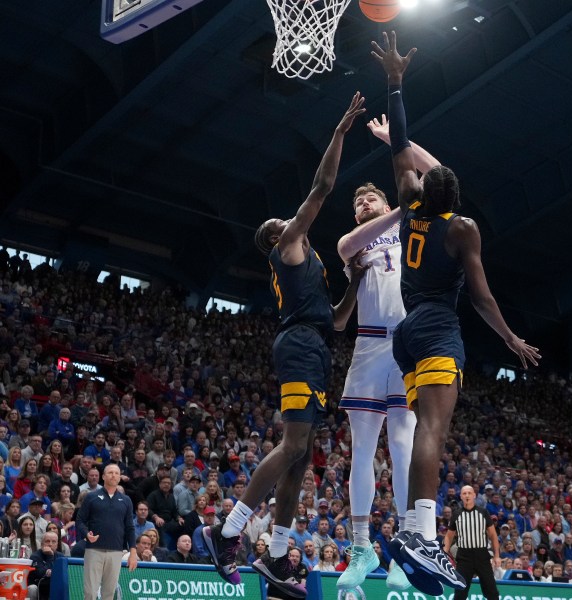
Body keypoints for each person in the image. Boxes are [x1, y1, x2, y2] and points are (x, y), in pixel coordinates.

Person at [372, 31, 540, 593]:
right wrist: (512, 340)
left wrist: (395, 83)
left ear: (423, 188)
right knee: (433, 429)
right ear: (458, 199)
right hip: (439, 327)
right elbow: (484, 297)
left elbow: (399, 146)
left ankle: (417, 534)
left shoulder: (409, 203)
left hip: (405, 330)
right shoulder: (462, 229)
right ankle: (419, 533)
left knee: (425, 425)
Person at [203, 93, 367, 599]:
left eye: (283, 221)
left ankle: (276, 557)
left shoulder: (311, 266)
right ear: (276, 240)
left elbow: (338, 322)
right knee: (293, 445)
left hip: (316, 344)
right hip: (297, 347)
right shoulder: (289, 247)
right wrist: (339, 134)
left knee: (301, 458)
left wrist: (355, 283)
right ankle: (226, 531)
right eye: (278, 225)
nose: (286, 223)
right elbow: (321, 186)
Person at [336, 139, 440, 593]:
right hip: (368, 346)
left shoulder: (411, 228)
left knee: (402, 448)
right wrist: (398, 206)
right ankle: (361, 548)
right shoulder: (351, 245)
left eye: (370, 197)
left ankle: (400, 548)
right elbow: (350, 242)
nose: (362, 203)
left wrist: (395, 142)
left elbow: (437, 174)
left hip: (405, 345)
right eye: (358, 201)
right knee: (361, 449)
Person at [76, 463, 137, 600]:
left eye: (116, 473)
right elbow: (79, 520)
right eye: (110, 472)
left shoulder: (126, 500)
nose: (113, 475)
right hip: (94, 550)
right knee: (90, 593)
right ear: (103, 476)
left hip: (116, 551)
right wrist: (86, 534)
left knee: (109, 594)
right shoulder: (91, 497)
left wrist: (133, 552)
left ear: (120, 477)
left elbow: (130, 527)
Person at [444, 486, 500, 600]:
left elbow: (493, 535)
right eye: (464, 493)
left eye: (469, 493)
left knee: (492, 591)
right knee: (460, 592)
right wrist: (444, 552)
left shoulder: (483, 512)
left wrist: (497, 556)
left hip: (482, 556)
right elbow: (449, 537)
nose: (467, 495)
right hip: (464, 557)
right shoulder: (456, 514)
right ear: (461, 497)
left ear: (474, 495)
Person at [28, 531, 63, 600]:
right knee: (33, 588)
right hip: (39, 587)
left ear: (57, 544)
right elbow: (42, 574)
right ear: (42, 544)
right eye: (47, 541)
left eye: (53, 542)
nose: (50, 544)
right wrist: (50, 556)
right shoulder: (35, 556)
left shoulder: (61, 556)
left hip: (56, 586)